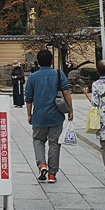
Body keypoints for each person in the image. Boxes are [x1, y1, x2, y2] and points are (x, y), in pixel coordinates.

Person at [24, 49, 73, 184]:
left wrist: (29, 114)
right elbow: (67, 92)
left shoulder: (33, 77)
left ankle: (42, 165)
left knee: (38, 140)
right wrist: (70, 110)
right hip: (56, 115)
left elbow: (28, 98)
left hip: (39, 115)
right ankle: (52, 174)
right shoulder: (59, 74)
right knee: (54, 143)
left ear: (38, 62)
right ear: (51, 61)